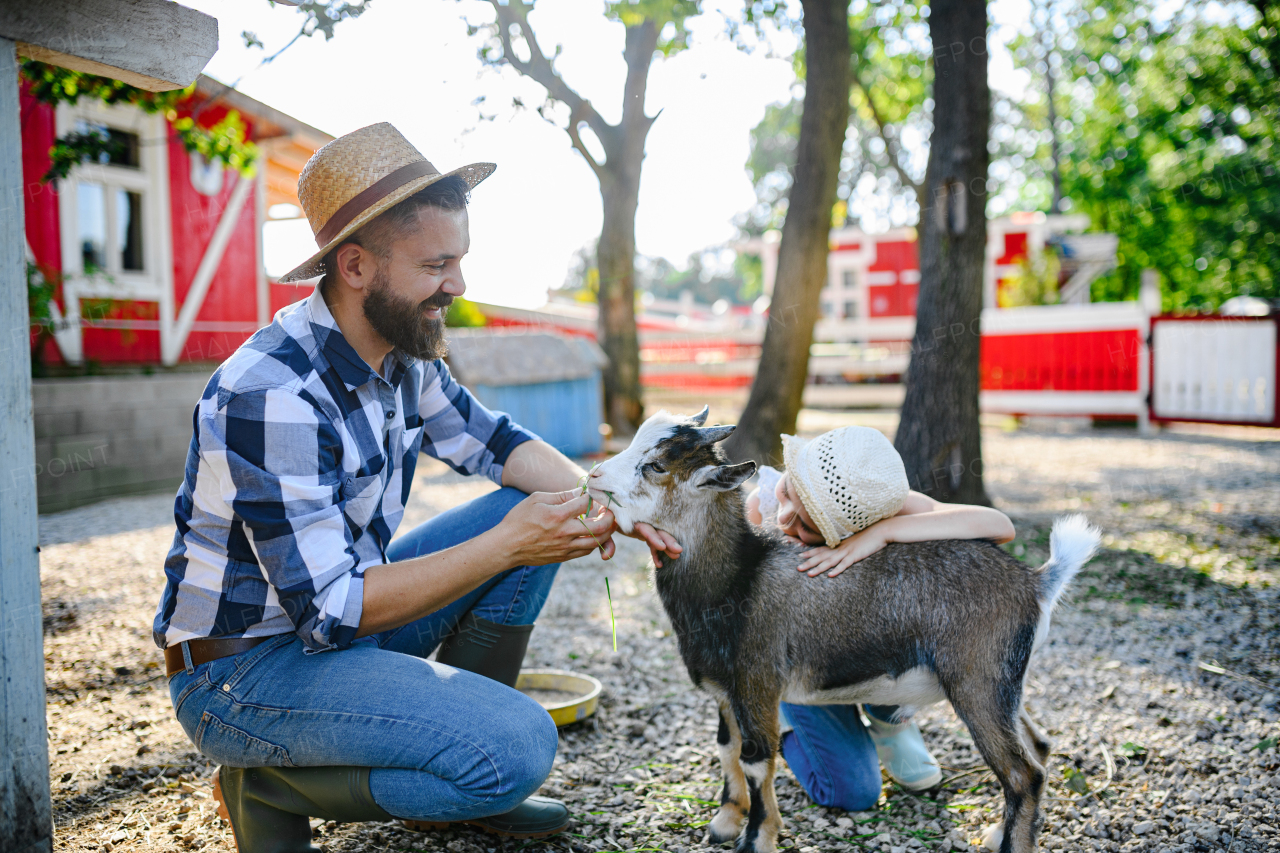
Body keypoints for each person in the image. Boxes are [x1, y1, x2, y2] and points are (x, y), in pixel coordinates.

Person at [152, 123, 680, 853]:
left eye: (458, 260)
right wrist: (504, 547)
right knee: (519, 748)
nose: (457, 286)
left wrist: (619, 505)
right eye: (436, 264)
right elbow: (332, 612)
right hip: (243, 673)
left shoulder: (405, 354)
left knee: (531, 507)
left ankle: (456, 776)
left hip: (335, 627)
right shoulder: (271, 393)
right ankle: (267, 783)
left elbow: (497, 444)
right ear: (357, 265)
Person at [745, 426, 1015, 810]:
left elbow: (999, 526)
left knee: (907, 623)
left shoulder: (879, 511)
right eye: (788, 491)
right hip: (802, 672)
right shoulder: (762, 508)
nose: (786, 519)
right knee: (852, 794)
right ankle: (787, 724)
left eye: (809, 526)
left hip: (866, 659)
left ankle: (890, 721)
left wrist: (885, 533)